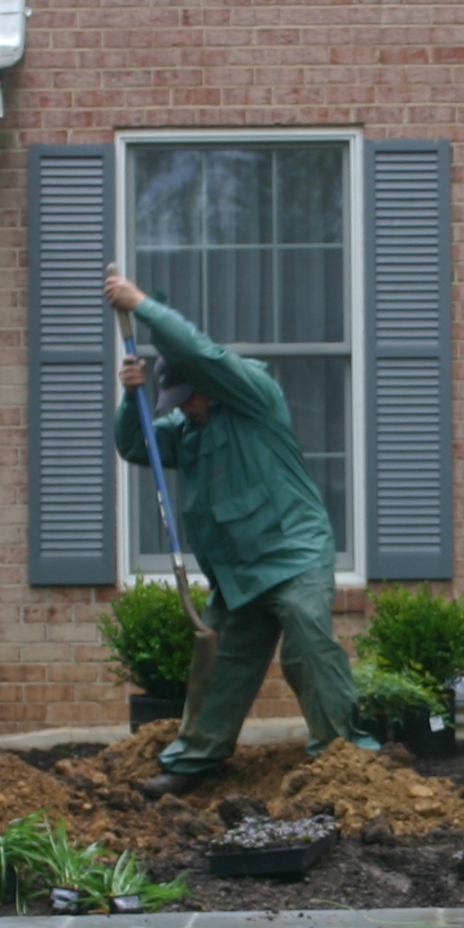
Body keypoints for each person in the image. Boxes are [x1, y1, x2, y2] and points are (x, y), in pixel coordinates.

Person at [105, 269, 374, 796]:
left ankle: (343, 760)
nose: (184, 407)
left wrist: (143, 306)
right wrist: (129, 400)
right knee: (221, 663)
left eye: (190, 397)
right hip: (237, 572)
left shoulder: (254, 399)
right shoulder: (187, 430)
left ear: (211, 387)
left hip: (292, 552)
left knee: (306, 642)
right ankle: (195, 761)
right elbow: (138, 449)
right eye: (176, 401)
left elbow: (201, 353)